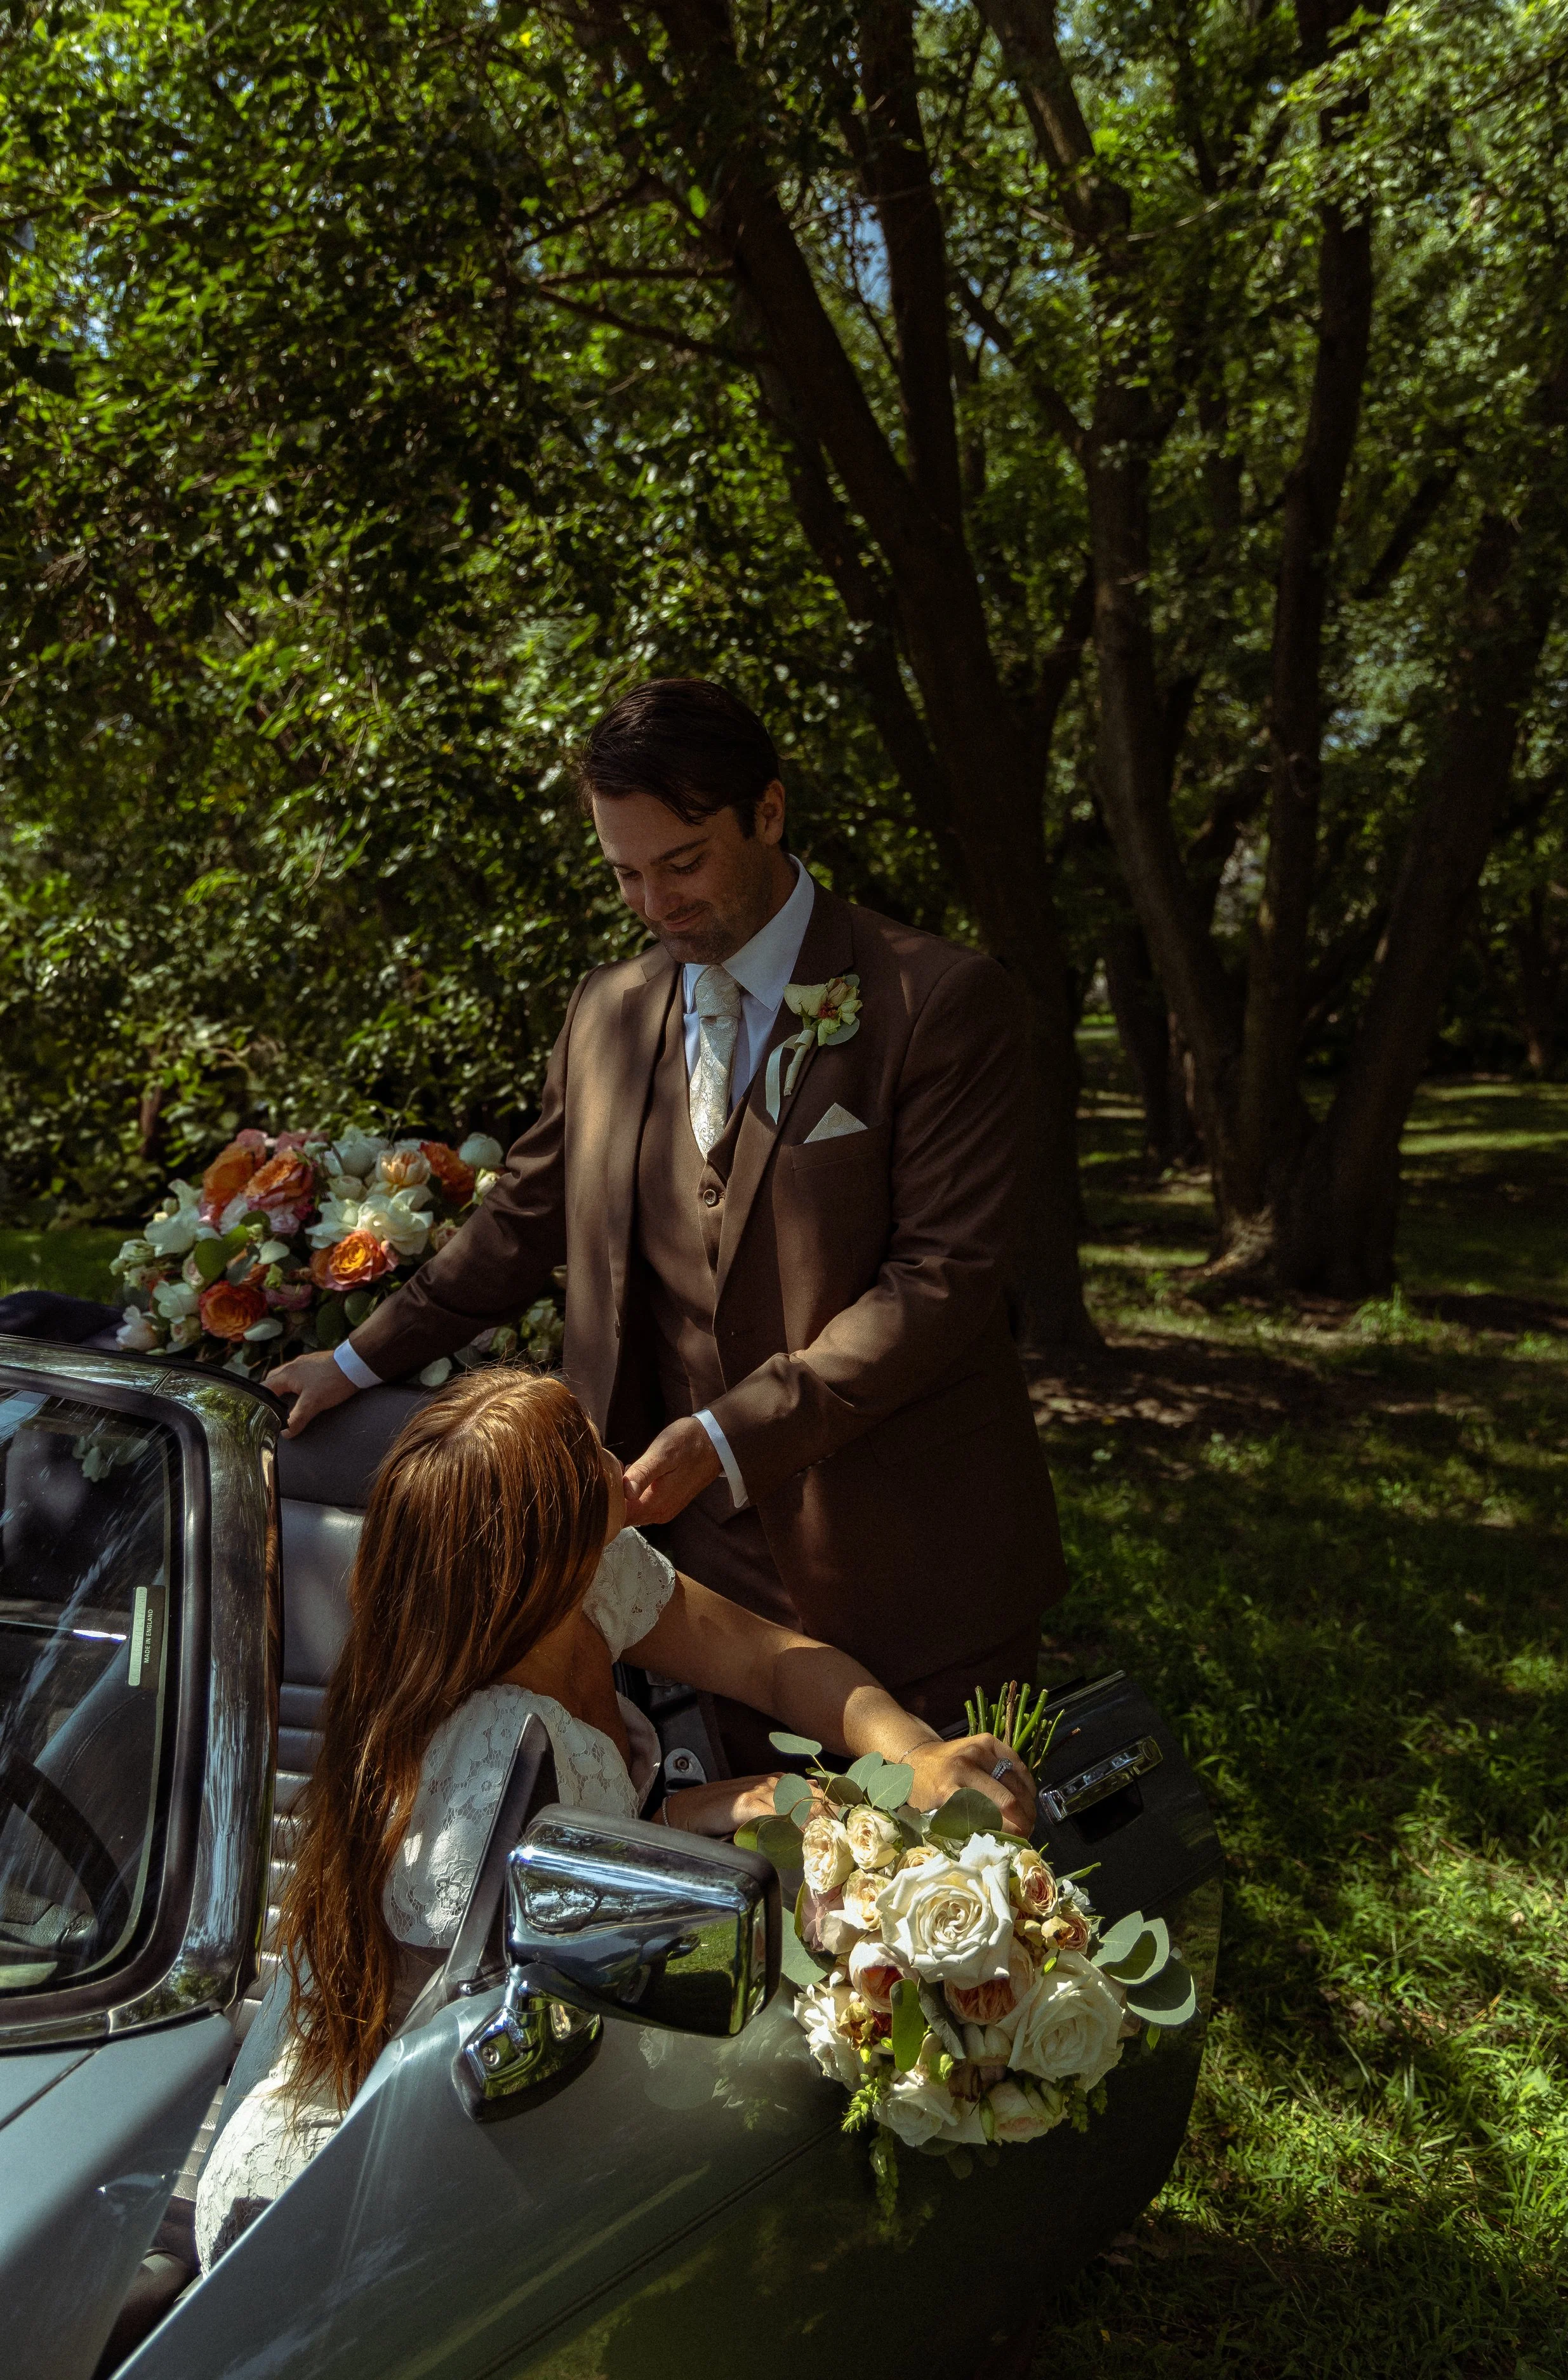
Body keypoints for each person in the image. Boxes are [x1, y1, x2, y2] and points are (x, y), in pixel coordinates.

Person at [267, 677, 1066, 1769]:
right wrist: (356, 1362)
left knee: (944, 1886)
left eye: (682, 862)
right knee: (758, 1880)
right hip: (704, 1571)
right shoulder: (608, 1010)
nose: (654, 903)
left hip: (906, 1551)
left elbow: (939, 1284)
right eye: (625, 874)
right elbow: (527, 1217)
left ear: (769, 811)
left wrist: (729, 1436)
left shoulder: (937, 1000)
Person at [195, 1368, 1036, 2268]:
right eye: (590, 1452)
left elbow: (776, 1662)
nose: (615, 1455)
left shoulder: (586, 1583)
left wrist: (912, 1754)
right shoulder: (480, 1770)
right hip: (350, 2197)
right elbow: (498, 2031)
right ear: (541, 1544)